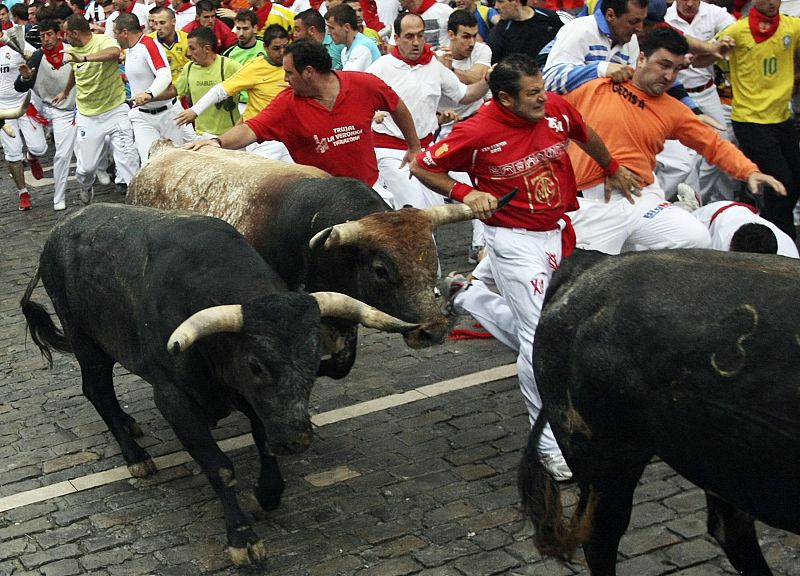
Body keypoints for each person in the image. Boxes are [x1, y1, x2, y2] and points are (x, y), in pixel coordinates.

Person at [411, 54, 641, 482]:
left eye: (542, 89)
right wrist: (464, 191)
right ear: (504, 99)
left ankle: (468, 293)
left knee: (555, 330)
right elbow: (422, 165)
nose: (543, 99)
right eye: (532, 94)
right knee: (540, 341)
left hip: (558, 230)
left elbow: (583, 130)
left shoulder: (555, 107)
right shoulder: (476, 129)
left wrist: (611, 168)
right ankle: (549, 445)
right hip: (514, 241)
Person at [563, 26, 785, 254]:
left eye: (677, 69)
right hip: (594, 203)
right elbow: (550, 116)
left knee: (696, 239)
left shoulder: (674, 110)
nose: (669, 76)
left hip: (642, 199)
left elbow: (713, 144)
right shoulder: (598, 86)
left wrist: (749, 171)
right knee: (586, 273)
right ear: (642, 58)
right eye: (664, 65)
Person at [184, 38, 420, 192]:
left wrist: (414, 146)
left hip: (370, 189)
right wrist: (217, 141)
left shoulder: (364, 84)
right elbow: (250, 129)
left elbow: (396, 105)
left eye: (289, 73)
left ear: (309, 72)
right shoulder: (287, 104)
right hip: (322, 197)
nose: (285, 79)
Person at [368, 12, 489, 208]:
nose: (416, 42)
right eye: (409, 36)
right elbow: (358, 101)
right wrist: (373, 114)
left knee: (434, 212)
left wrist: (486, 81)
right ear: (397, 39)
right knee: (415, 210)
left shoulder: (435, 65)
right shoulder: (379, 69)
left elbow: (465, 95)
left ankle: (478, 241)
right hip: (390, 150)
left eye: (420, 35)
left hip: (427, 151)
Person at [721, 0, 800, 239]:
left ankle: (769, 225)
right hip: (750, 119)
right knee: (782, 182)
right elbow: (706, 56)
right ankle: (779, 237)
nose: (772, 2)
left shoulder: (791, 26)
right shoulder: (736, 31)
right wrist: (717, 49)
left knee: (795, 178)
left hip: (782, 117)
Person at [54, 13, 139, 202]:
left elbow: (114, 54)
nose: (64, 38)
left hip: (115, 109)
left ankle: (136, 198)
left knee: (127, 158)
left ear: (75, 33)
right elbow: (75, 72)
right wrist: (66, 91)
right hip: (88, 116)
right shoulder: (71, 51)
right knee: (86, 169)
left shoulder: (103, 41)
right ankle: (85, 186)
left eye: (66, 34)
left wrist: (85, 58)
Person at [176, 24, 293, 160]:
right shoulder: (255, 68)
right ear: (265, 48)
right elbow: (221, 90)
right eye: (276, 48)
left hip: (288, 136)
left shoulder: (294, 65)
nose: (282, 52)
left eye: (286, 47)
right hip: (262, 138)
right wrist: (195, 110)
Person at [664, 0, 736, 203]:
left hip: (707, 90)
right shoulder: (665, 18)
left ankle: (719, 200)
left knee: (722, 144)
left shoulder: (714, 13)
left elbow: (734, 31)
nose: (689, 3)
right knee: (687, 155)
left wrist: (725, 42)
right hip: (674, 96)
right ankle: (694, 202)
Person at [14, 18, 75, 211]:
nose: (46, 39)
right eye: (42, 36)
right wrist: (26, 77)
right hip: (54, 110)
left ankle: (87, 181)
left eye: (50, 34)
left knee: (85, 161)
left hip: (80, 109)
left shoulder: (73, 52)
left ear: (59, 34)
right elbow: (19, 86)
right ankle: (59, 197)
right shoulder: (38, 57)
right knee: (60, 155)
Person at [114, 12, 188, 164]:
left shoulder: (149, 45)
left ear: (125, 32)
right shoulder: (130, 50)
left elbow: (164, 74)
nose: (115, 37)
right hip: (142, 116)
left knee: (175, 163)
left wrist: (149, 93)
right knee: (149, 162)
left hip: (167, 114)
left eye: (116, 33)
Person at [0, 25, 46, 211]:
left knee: (40, 148)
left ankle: (33, 157)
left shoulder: (16, 42)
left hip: (25, 103)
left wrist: (30, 56)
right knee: (12, 153)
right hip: (2, 109)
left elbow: (39, 58)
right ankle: (23, 193)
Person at [175, 26, 243, 138]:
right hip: (202, 136)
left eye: (192, 48)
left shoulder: (229, 66)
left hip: (230, 136)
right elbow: (176, 93)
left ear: (206, 49)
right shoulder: (189, 67)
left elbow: (251, 84)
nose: (188, 53)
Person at [690, 200, 800, 256]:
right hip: (709, 217)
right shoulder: (722, 242)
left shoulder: (789, 252)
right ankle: (687, 207)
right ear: (731, 246)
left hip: (742, 214)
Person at [488, 0, 562, 64]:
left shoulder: (550, 17)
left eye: (501, 1)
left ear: (516, 2)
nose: (496, 6)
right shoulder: (499, 32)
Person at [326, 3, 379, 71]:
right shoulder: (344, 50)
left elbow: (347, 79)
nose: (328, 33)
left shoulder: (362, 47)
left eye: (331, 28)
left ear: (347, 27)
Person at [147, 6, 190, 83]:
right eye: (156, 23)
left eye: (162, 23)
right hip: (159, 90)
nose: (158, 27)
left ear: (173, 21)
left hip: (184, 88)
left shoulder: (187, 39)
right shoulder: (148, 41)